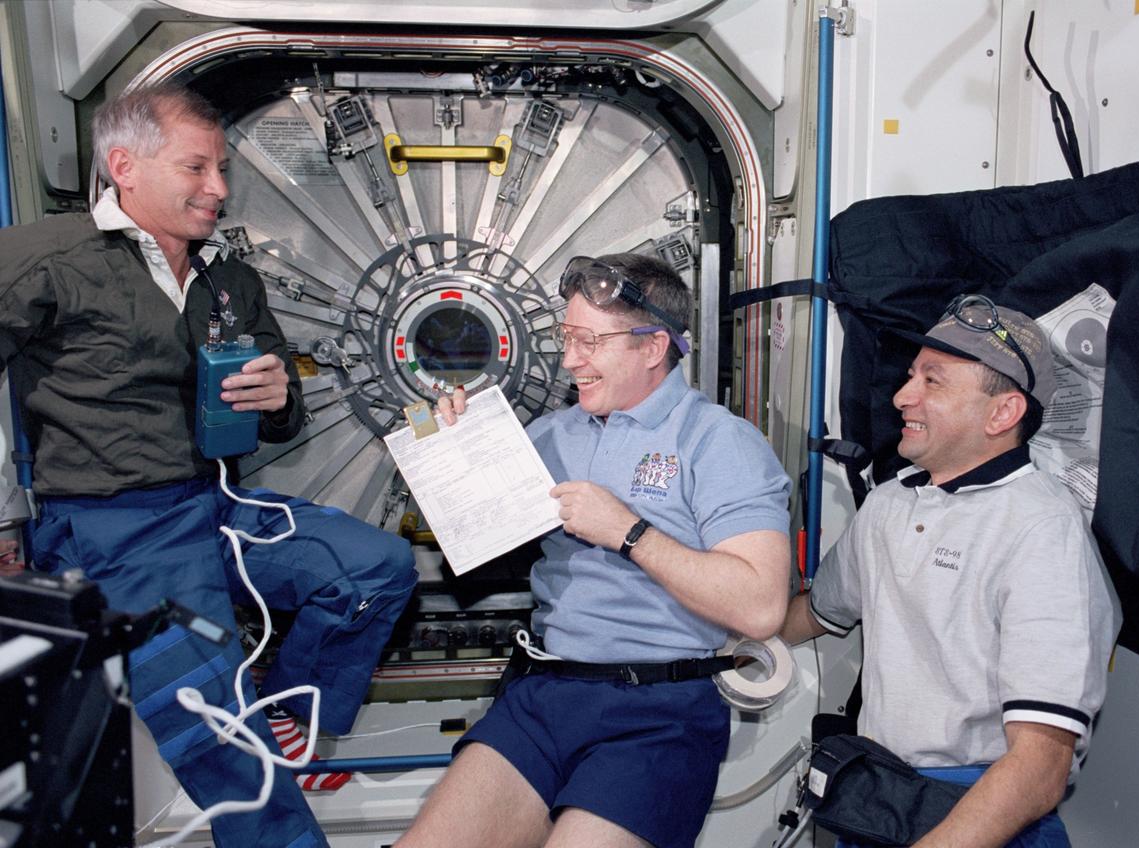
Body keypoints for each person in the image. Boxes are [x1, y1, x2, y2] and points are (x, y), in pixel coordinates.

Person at [0, 81, 418, 847]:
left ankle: (293, 715)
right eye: (198, 169)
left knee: (377, 567)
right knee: (231, 750)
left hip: (218, 504)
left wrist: (275, 391)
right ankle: (258, 763)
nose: (219, 189)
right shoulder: (45, 259)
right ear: (124, 166)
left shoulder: (228, 278)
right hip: (113, 530)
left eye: (221, 169)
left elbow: (282, 414)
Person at [396, 254, 793, 848]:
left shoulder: (719, 442)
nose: (569, 359)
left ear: (654, 346)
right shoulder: (552, 436)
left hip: (656, 713)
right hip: (542, 695)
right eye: (566, 336)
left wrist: (630, 533)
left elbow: (762, 607)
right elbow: (469, 547)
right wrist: (446, 448)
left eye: (589, 341)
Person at [781, 296, 1117, 848]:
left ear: (1002, 413)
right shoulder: (890, 503)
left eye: (931, 382)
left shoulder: (1042, 530)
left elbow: (1039, 769)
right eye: (911, 374)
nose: (901, 396)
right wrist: (720, 644)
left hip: (983, 810)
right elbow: (816, 614)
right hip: (883, 796)